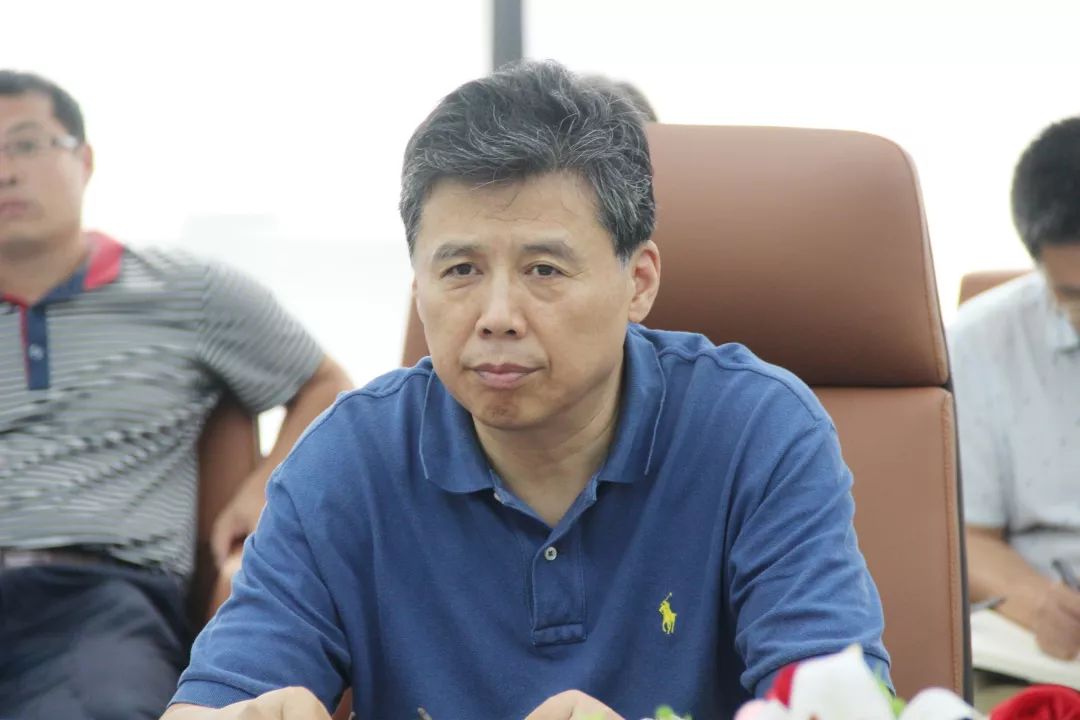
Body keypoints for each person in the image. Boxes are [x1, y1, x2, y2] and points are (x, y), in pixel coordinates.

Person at [164, 60, 888, 720]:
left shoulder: (759, 432)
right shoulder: (348, 459)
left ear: (638, 282)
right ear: (417, 289)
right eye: (461, 271)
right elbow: (210, 702)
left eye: (544, 269)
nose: (498, 316)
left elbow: (845, 708)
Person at [0, 69, 351, 718]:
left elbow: (326, 385)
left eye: (25, 144)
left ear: (84, 159)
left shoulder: (189, 292)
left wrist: (265, 487)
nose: (5, 172)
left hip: (99, 597)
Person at [950, 117, 1080, 661]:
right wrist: (1038, 603)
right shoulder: (979, 344)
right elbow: (968, 536)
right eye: (1073, 294)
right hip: (1048, 646)